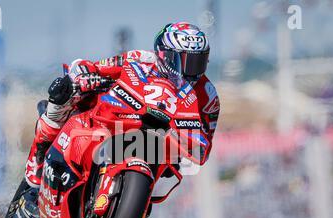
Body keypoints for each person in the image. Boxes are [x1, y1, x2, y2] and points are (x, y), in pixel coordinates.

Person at [25, 22, 221, 189]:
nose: (191, 70)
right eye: (185, 61)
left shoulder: (208, 95)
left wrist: (187, 143)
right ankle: (38, 155)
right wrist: (86, 76)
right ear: (164, 54)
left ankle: (128, 213)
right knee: (63, 90)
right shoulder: (140, 58)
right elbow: (92, 66)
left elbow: (204, 146)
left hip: (157, 146)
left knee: (170, 172)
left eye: (198, 62)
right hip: (116, 116)